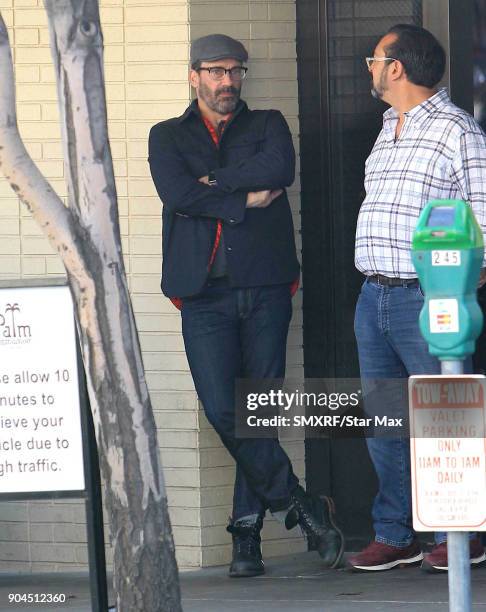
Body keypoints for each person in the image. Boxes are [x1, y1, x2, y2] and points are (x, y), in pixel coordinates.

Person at [148, 33, 344, 577]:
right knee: (222, 408)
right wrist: (241, 200)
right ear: (195, 76)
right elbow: (177, 195)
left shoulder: (269, 125)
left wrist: (215, 184)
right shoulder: (167, 135)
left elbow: (278, 170)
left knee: (256, 411)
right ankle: (301, 505)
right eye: (215, 71)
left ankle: (246, 538)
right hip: (202, 293)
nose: (227, 81)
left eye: (235, 71)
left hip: (265, 287)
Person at [350, 24, 486, 573]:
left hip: (427, 300)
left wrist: (453, 291)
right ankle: (396, 532)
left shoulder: (458, 132)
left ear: (397, 68)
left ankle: (463, 533)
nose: (370, 68)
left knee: (445, 420)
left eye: (374, 59)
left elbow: (483, 219)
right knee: (386, 421)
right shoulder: (388, 126)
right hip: (373, 296)